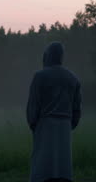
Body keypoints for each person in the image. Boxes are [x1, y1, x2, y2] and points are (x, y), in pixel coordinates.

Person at [26, 42, 82, 182]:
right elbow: (77, 109)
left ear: (48, 56)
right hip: (65, 126)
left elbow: (33, 105)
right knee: (62, 165)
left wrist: (34, 124)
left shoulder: (39, 77)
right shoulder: (73, 78)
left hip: (45, 125)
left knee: (42, 167)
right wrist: (69, 124)